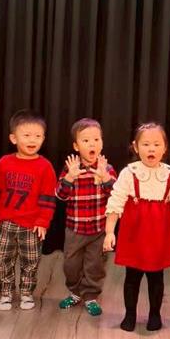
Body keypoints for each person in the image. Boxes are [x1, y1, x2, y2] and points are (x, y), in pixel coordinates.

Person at [104, 123, 170, 332]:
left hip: (159, 232)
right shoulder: (129, 173)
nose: (151, 149)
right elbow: (115, 201)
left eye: (157, 144)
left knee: (156, 276)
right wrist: (109, 232)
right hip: (135, 231)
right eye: (146, 144)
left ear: (164, 148)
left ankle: (155, 314)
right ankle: (130, 314)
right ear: (136, 147)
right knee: (132, 276)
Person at [0, 110, 58, 311]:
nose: (32, 140)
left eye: (38, 136)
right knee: (3, 260)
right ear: (13, 138)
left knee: (31, 261)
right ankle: (6, 293)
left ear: (43, 138)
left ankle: (26, 293)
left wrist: (43, 221)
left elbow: (48, 199)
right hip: (6, 223)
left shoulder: (45, 167)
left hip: (32, 225)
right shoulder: (4, 162)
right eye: (26, 135)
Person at [55, 118, 116, 316]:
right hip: (75, 228)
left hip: (98, 230)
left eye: (96, 140)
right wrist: (69, 178)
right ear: (76, 146)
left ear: (102, 143)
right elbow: (60, 195)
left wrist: (105, 179)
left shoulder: (107, 168)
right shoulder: (71, 168)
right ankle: (74, 292)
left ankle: (90, 296)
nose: (92, 144)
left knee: (95, 265)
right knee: (71, 264)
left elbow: (116, 196)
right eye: (86, 140)